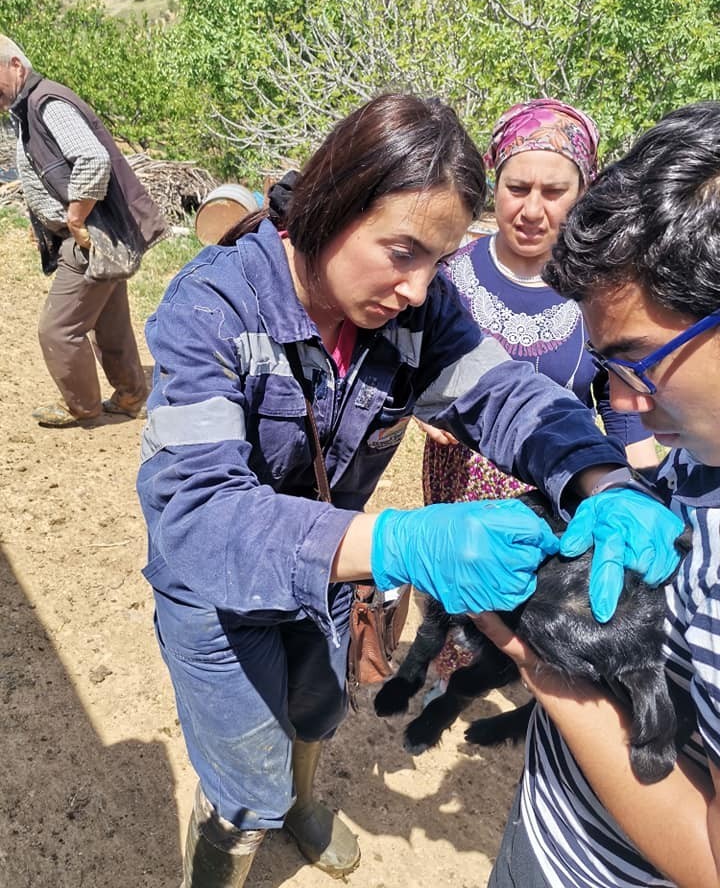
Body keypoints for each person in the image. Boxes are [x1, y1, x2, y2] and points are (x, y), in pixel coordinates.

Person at [135, 93, 682, 888]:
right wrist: (401, 543)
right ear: (331, 206)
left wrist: (601, 477)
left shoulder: (412, 314)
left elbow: (502, 396)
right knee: (244, 780)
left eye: (440, 258)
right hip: (218, 592)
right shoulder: (212, 310)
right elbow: (196, 514)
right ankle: (242, 834)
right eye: (403, 252)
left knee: (317, 710)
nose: (422, 289)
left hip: (330, 572)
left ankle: (302, 802)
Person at [477, 100, 720, 888]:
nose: (618, 401)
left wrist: (542, 667)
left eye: (637, 363)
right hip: (554, 824)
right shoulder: (702, 452)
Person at [420, 97, 658, 687]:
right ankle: (452, 671)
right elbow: (404, 374)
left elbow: (617, 401)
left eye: (553, 192)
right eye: (516, 187)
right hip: (460, 484)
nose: (530, 209)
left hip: (560, 492)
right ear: (493, 186)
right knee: (460, 596)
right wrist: (414, 415)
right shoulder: (445, 273)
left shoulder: (602, 290)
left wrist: (637, 486)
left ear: (585, 191)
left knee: (539, 618)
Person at [0, 35, 166, 427]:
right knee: (109, 322)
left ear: (16, 66)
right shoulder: (32, 106)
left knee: (57, 330)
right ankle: (129, 396)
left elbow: (92, 160)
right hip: (96, 235)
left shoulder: (45, 103)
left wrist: (74, 220)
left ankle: (82, 405)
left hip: (91, 236)